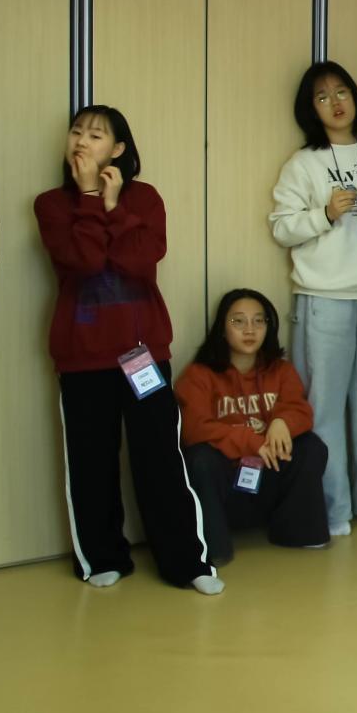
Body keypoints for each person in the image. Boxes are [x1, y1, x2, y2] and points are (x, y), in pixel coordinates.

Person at [35, 105, 220, 595]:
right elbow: (85, 261)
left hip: (143, 353)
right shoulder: (52, 204)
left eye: (96, 135)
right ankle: (102, 557)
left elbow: (140, 262)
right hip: (82, 355)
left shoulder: (145, 198)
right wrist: (90, 198)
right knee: (91, 460)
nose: (82, 141)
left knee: (160, 458)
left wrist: (115, 205)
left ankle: (187, 563)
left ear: (118, 149)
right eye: (76, 131)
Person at [268, 61, 357, 538]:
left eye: (342, 91)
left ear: (355, 97)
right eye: (322, 96)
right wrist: (325, 213)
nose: (335, 102)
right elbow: (282, 227)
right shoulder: (303, 163)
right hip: (323, 297)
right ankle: (333, 510)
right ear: (310, 109)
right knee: (322, 407)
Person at [176, 289, 329, 566]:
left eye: (259, 321)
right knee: (199, 458)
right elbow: (194, 429)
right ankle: (214, 547)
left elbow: (301, 410)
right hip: (226, 485)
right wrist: (251, 441)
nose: (250, 330)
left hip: (267, 478)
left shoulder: (280, 370)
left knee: (311, 446)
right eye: (238, 321)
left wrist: (282, 422)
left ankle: (297, 533)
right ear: (222, 329)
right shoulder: (199, 375)